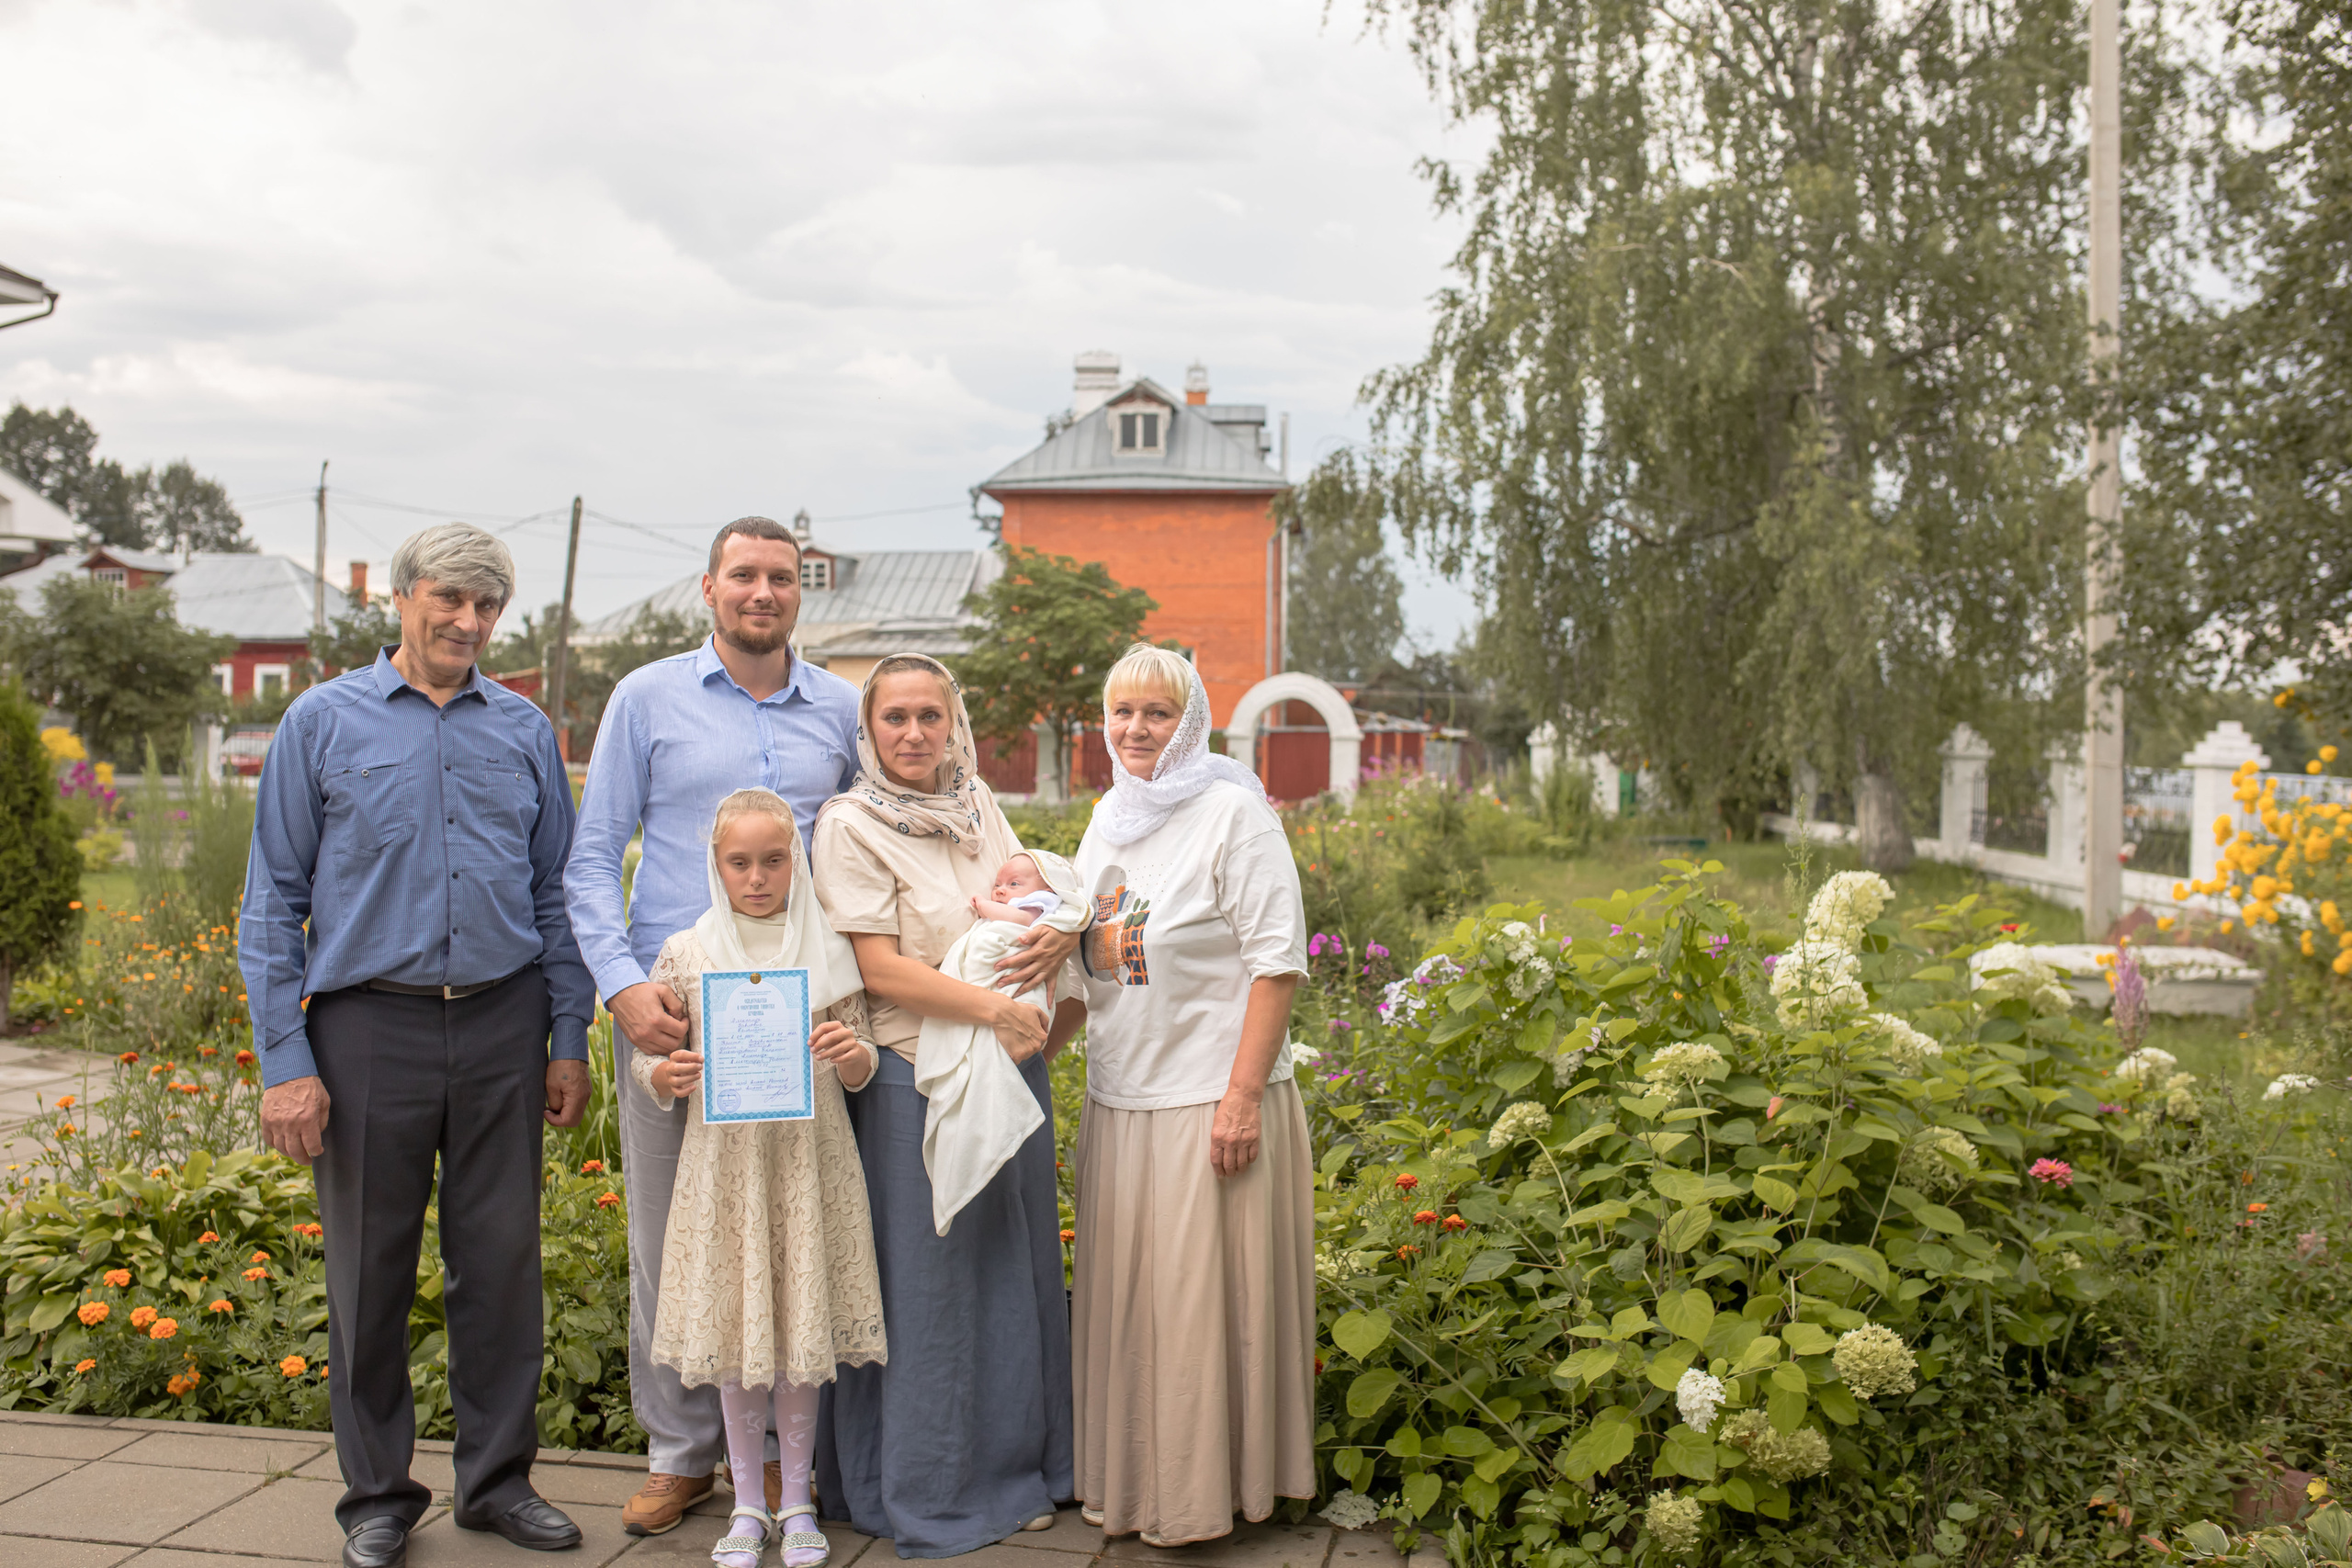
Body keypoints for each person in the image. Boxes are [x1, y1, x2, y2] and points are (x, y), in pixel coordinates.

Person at [241, 523, 596, 1568]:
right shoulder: (323, 724)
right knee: (369, 1272)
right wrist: (285, 1062)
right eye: (449, 601)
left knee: (500, 1266)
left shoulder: (525, 731)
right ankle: (377, 1499)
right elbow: (273, 903)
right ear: (402, 600)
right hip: (366, 1028)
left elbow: (556, 894)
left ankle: (494, 1484)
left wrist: (565, 1033)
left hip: (501, 1019)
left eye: (487, 608)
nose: (468, 623)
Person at [566, 516, 863, 1536]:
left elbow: (876, 841)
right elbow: (593, 852)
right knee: (674, 1236)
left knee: (793, 1225)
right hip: (677, 1012)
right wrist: (619, 989)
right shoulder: (646, 698)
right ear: (708, 587)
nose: (762, 592)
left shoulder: (842, 707)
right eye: (744, 575)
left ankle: (783, 1466)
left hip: (801, 1007)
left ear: (798, 592)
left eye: (780, 577)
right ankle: (683, 1453)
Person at [809, 654, 1081, 1558]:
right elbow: (880, 969)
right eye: (896, 719)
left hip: (1006, 1067)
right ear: (870, 727)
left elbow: (1028, 901)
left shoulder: (976, 809)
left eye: (931, 716)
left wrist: (1054, 938)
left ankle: (1021, 1472)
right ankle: (928, 1490)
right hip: (912, 1080)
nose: (915, 734)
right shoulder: (850, 825)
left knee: (1010, 1279)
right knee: (928, 1299)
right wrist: (996, 1007)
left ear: (953, 723)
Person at [1049, 643, 1314, 1547]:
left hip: (1209, 1102)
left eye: (1156, 713)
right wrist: (1017, 1059)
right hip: (1122, 1103)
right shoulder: (1107, 822)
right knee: (1138, 1311)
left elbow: (1276, 965)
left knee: (1197, 1312)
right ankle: (1137, 1486)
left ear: (1190, 720)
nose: (1134, 731)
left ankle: (1204, 1498)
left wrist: (1242, 1097)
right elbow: (1091, 969)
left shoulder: (1232, 815)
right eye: (1120, 713)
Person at [628, 788, 887, 1568]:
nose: (758, 876)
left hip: (810, 1163)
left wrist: (850, 1054)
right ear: (716, 864)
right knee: (740, 1332)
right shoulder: (688, 950)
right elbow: (650, 1059)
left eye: (774, 859)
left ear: (795, 860)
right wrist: (664, 1074)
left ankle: (798, 1495)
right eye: (739, 861)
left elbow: (866, 1055)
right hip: (725, 1168)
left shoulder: (828, 947)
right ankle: (745, 1502)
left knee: (798, 1321)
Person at [916, 849, 1086, 1236]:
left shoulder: (1040, 907)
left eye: (1014, 884)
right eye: (999, 884)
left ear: (1047, 889)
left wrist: (984, 906)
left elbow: (1019, 925)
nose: (1002, 889)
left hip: (1013, 977)